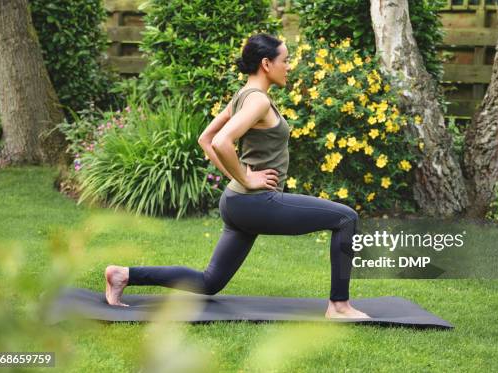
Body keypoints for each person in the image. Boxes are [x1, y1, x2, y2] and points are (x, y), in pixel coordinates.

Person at [105, 33, 370, 319]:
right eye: (286, 60)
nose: (289, 66)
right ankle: (339, 306)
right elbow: (220, 142)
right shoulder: (258, 102)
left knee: (209, 282)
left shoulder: (243, 96)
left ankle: (124, 275)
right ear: (267, 64)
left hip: (237, 203)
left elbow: (205, 139)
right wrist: (247, 178)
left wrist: (240, 180)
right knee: (346, 218)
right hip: (255, 202)